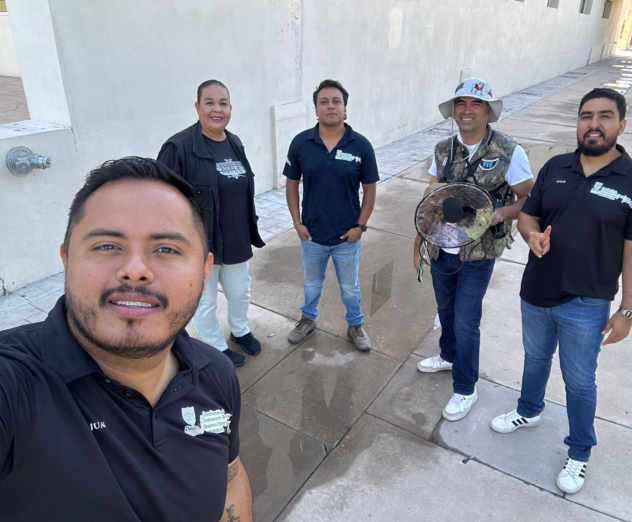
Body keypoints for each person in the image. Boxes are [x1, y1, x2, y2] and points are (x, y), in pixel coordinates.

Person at [0, 158, 252, 521]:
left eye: (167, 249)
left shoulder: (217, 372)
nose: (135, 270)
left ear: (204, 271)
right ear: (67, 259)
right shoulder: (15, 386)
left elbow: (231, 476)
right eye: (106, 245)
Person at [490, 88, 632, 495]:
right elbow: (528, 217)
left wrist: (627, 311)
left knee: (580, 381)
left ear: (621, 125)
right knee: (535, 358)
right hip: (537, 289)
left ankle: (579, 450)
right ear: (578, 122)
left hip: (587, 300)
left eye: (604, 116)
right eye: (586, 116)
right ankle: (529, 410)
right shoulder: (555, 167)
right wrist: (531, 236)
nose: (594, 124)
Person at [414, 78, 534, 421]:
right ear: (454, 110)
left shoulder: (509, 151)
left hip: (478, 254)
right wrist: (418, 239)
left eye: (476, 104)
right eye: (461, 104)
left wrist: (502, 213)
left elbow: (530, 197)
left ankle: (466, 388)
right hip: (441, 247)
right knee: (445, 309)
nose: (467, 111)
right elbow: (431, 195)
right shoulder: (442, 149)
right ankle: (448, 355)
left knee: (467, 320)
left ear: (487, 111)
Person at [158, 79, 265, 368]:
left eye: (223, 103)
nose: (217, 109)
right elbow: (162, 201)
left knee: (240, 291)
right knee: (205, 300)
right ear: (197, 107)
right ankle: (216, 347)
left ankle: (240, 330)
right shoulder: (178, 147)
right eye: (209, 103)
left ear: (230, 108)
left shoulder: (235, 142)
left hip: (236, 236)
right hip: (200, 244)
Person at [284, 79, 379, 351]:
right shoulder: (301, 143)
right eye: (323, 102)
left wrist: (360, 226)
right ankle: (308, 319)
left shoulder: (361, 146)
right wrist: (297, 223)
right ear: (316, 109)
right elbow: (291, 185)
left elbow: (370, 190)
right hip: (311, 236)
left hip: (346, 237)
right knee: (312, 285)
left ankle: (355, 324)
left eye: (336, 101)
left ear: (345, 108)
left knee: (350, 288)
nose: (330, 106)